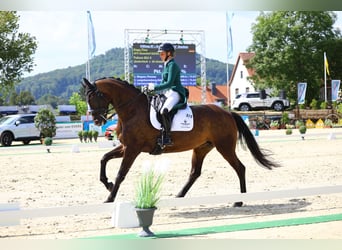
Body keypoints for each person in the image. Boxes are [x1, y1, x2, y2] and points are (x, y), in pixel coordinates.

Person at [147, 42, 188, 147]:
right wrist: (151, 89)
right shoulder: (166, 65)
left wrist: (155, 87)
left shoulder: (173, 65)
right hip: (168, 93)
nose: (160, 55)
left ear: (169, 53)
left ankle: (167, 137)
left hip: (175, 93)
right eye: (160, 54)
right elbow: (162, 83)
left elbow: (169, 83)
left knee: (164, 110)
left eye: (162, 53)